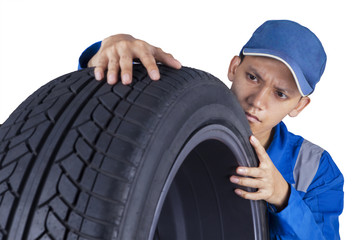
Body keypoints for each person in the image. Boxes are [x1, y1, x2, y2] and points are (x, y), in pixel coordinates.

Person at [78, 20, 344, 239]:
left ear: (300, 105)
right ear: (234, 68)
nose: (258, 101)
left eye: (280, 94)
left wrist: (282, 196)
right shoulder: (176, 114)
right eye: (253, 77)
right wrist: (107, 53)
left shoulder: (316, 170)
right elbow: (102, 122)